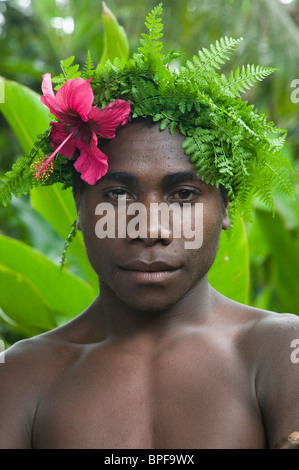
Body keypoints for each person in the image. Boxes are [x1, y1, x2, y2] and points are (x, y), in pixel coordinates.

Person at [0, 5, 298, 449]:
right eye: (118, 194)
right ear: (81, 206)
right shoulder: (22, 375)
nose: (151, 229)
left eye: (183, 195)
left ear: (228, 205)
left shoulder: (280, 351)